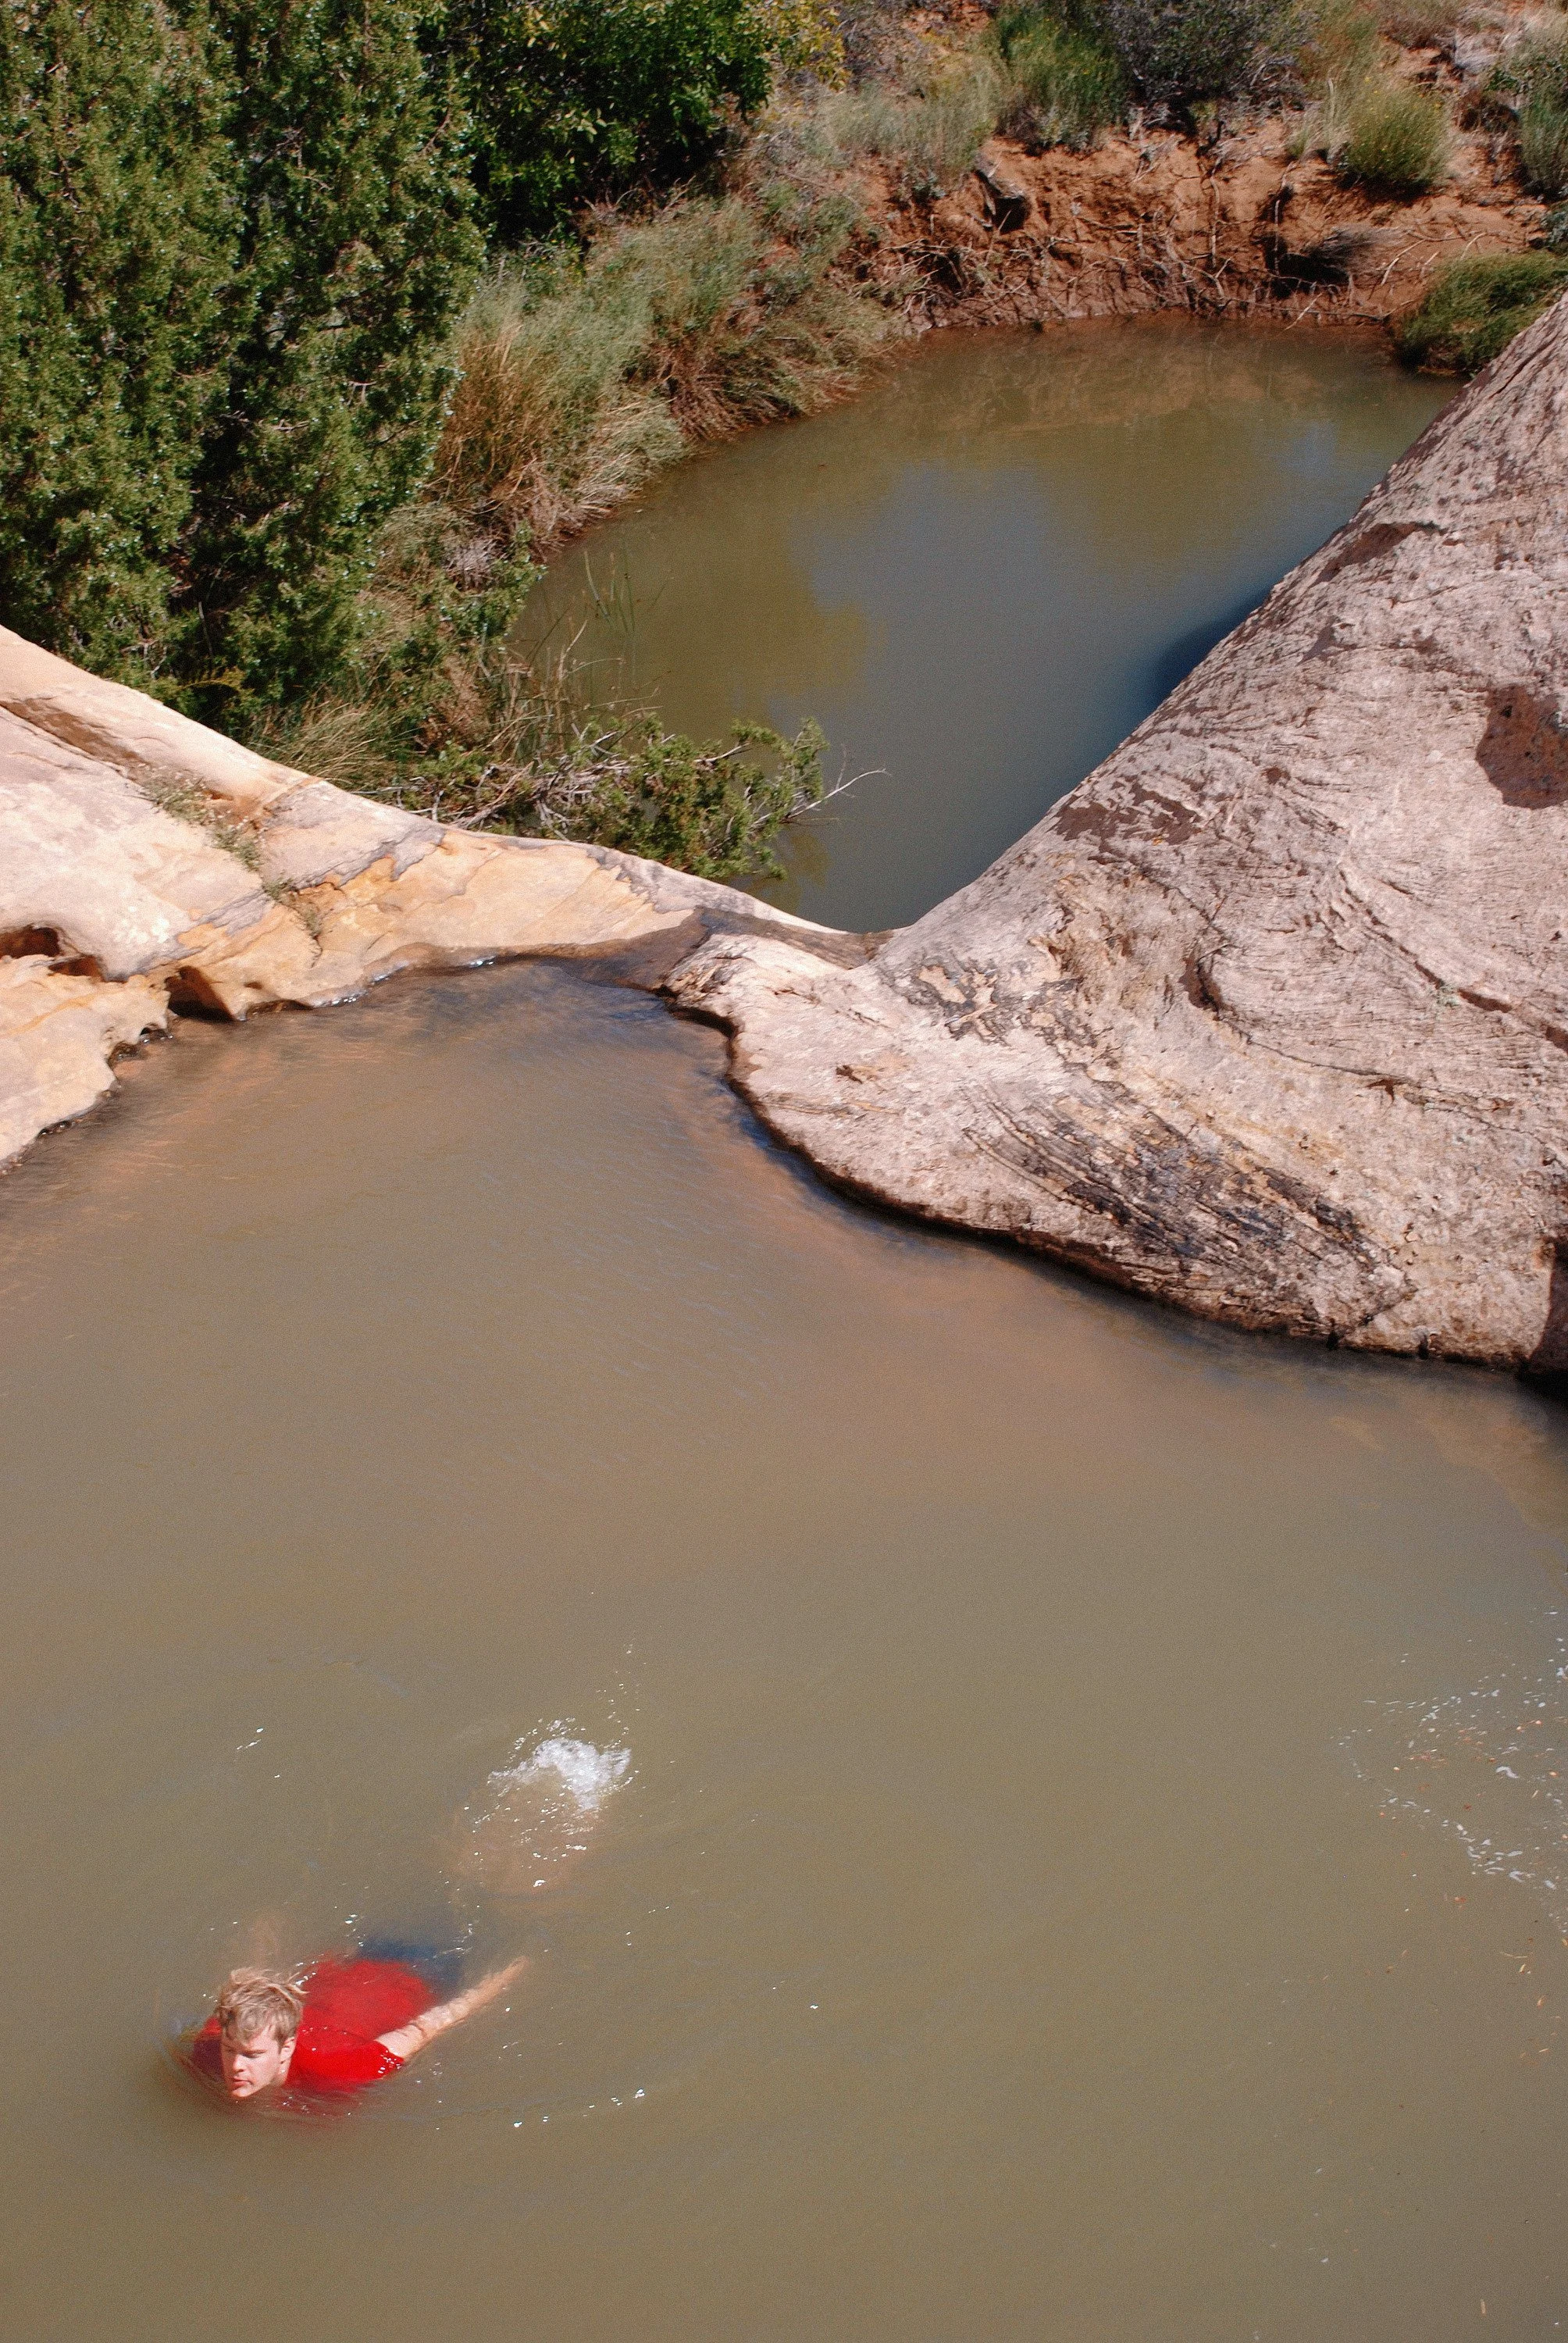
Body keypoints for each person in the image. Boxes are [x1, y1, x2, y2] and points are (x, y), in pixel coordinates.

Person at [187, 1950, 527, 2103]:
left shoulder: (339, 2071)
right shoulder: (208, 2050)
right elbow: (249, 1984)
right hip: (343, 1966)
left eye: (252, 2055)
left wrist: (506, 1978)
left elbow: (425, 2028)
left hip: (420, 1969)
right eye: (230, 2050)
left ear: (286, 2048)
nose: (234, 2066)